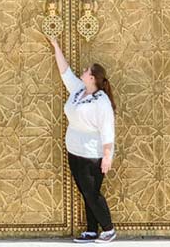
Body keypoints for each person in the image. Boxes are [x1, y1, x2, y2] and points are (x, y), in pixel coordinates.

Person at [46, 34, 117, 244]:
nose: (83, 72)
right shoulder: (79, 91)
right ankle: (92, 231)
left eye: (86, 71)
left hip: (92, 155)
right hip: (75, 151)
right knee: (86, 193)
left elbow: (107, 129)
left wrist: (107, 156)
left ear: (93, 78)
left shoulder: (101, 101)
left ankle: (109, 229)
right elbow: (65, 72)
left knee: (92, 194)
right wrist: (55, 45)